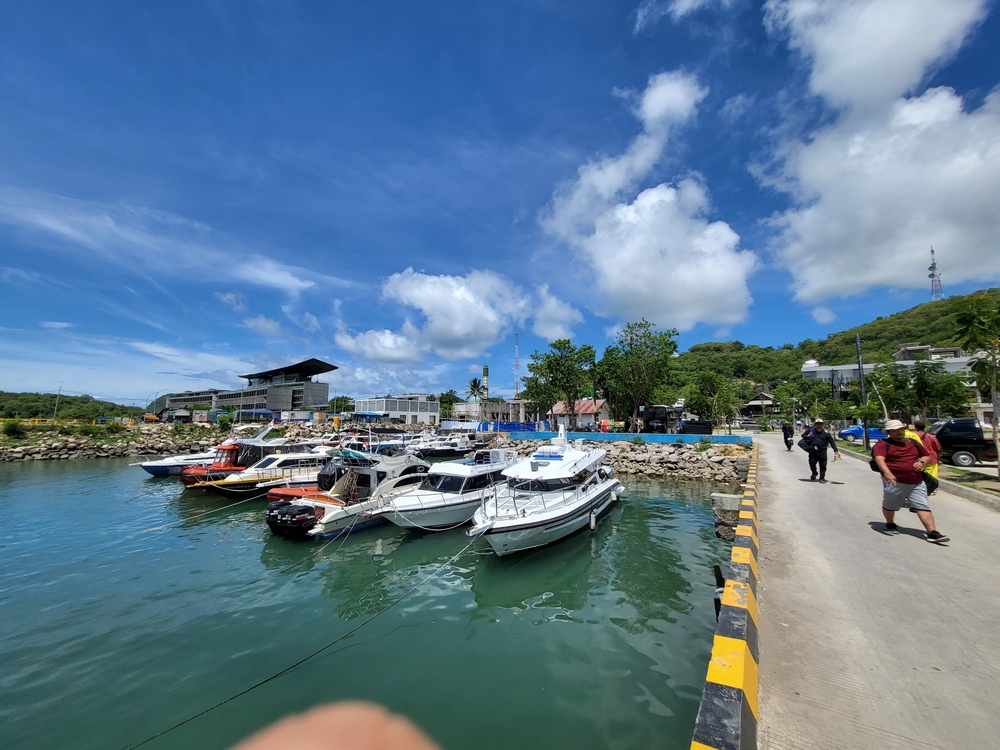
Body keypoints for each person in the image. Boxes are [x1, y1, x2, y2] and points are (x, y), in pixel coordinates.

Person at [873, 419, 949, 543]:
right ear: (889, 432)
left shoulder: (912, 442)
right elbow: (879, 459)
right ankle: (890, 523)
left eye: (901, 429)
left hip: (916, 482)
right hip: (895, 482)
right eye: (895, 430)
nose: (899, 432)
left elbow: (926, 455)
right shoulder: (882, 444)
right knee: (890, 505)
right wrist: (888, 473)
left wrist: (921, 462)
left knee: (922, 505)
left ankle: (932, 532)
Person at [802, 418, 841, 483]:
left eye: (820, 424)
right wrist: (808, 436)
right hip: (813, 451)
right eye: (817, 424)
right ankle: (814, 473)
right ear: (815, 424)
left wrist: (835, 450)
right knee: (812, 463)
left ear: (822, 424)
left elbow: (832, 442)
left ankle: (822, 478)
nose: (819, 425)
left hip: (822, 451)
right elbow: (803, 435)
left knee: (823, 465)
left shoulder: (826, 433)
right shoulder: (811, 431)